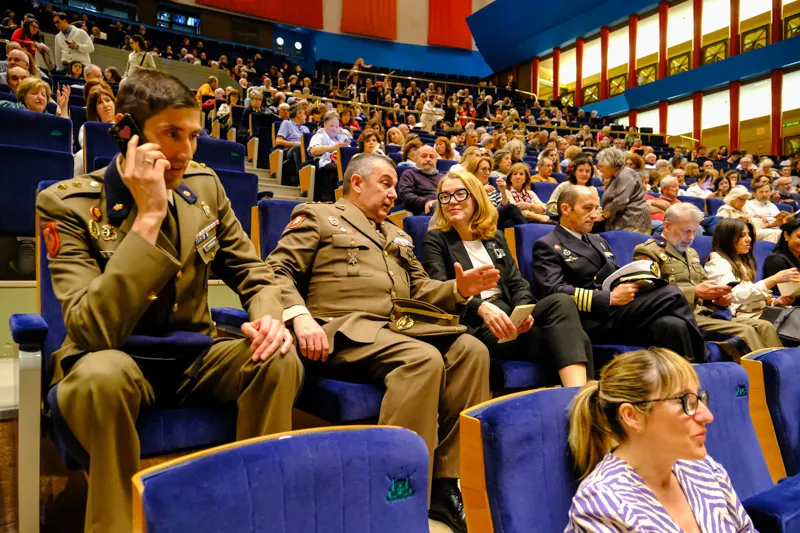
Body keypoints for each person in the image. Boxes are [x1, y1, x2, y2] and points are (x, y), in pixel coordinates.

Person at [36, 70, 303, 533]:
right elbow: (90, 330)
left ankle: (255, 516)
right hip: (112, 362)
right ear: (127, 131)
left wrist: (268, 320)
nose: (186, 152)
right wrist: (150, 216)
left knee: (276, 356)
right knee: (104, 373)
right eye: (171, 135)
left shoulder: (205, 189)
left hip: (193, 362)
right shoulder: (69, 205)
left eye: (194, 136)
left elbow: (255, 274)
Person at [267, 153, 497, 533]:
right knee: (422, 358)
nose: (394, 194)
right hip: (344, 331)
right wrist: (299, 316)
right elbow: (277, 270)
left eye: (395, 187)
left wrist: (459, 288)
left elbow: (422, 289)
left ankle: (444, 483)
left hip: (397, 331)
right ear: (357, 183)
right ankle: (394, 489)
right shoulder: (319, 217)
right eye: (386, 184)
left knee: (472, 350)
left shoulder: (398, 234)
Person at [423, 171, 593, 387]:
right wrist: (481, 307)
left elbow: (517, 282)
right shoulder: (436, 239)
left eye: (459, 194)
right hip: (479, 323)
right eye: (444, 196)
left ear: (475, 197)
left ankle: (575, 396)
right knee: (577, 338)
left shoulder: (494, 236)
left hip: (511, 315)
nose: (451, 201)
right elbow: (439, 290)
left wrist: (524, 312)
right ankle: (580, 399)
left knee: (561, 301)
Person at [565, 348, 757, 532]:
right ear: (631, 416)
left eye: (699, 399)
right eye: (685, 402)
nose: (707, 415)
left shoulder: (705, 469)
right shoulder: (601, 505)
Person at [534, 186, 707, 361]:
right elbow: (553, 291)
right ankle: (705, 362)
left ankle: (682, 382)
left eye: (596, 208)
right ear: (565, 209)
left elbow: (615, 276)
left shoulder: (597, 240)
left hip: (616, 313)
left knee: (673, 325)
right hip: (589, 319)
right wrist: (609, 298)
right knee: (671, 292)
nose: (595, 215)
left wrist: (636, 284)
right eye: (587, 209)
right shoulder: (548, 245)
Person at [634, 204, 781, 358]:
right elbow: (649, 293)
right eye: (686, 231)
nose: (691, 237)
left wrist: (718, 297)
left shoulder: (691, 253)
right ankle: (765, 377)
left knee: (765, 326)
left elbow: (705, 285)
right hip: (678, 316)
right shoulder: (647, 250)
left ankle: (786, 372)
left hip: (704, 313)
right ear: (667, 226)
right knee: (746, 331)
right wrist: (695, 292)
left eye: (694, 232)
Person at [705, 219, 799, 319]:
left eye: (748, 235)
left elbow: (749, 298)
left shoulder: (739, 262)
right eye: (742, 235)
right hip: (741, 317)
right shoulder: (717, 263)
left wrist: (774, 301)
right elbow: (736, 295)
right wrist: (774, 279)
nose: (749, 239)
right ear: (727, 238)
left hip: (757, 312)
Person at [596, 147, 652, 233]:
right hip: (625, 224)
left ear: (610, 164)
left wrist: (603, 216)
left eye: (601, 166)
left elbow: (620, 201)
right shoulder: (617, 175)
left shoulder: (625, 175)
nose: (600, 170)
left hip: (633, 224)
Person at [74, 84, 116, 176]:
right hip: (96, 167)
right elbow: (88, 148)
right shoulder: (87, 128)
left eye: (108, 100)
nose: (105, 105)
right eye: (100, 103)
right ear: (95, 110)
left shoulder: (126, 126)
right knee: (81, 155)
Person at [308, 111, 350, 202]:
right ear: (325, 124)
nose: (334, 129)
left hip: (340, 162)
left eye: (336, 126)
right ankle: (328, 199)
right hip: (325, 163)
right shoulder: (319, 136)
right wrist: (332, 148)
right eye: (331, 126)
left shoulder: (341, 139)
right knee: (337, 168)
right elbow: (313, 150)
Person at [716, 186, 782, 243]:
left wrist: (758, 218)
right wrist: (739, 219)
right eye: (741, 199)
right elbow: (722, 227)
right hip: (737, 234)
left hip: (752, 232)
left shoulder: (744, 209)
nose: (744, 202)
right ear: (732, 199)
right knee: (773, 233)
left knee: (779, 232)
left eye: (745, 200)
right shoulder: (725, 209)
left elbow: (756, 224)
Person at [397, 144, 444, 215]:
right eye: (424, 156)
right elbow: (405, 194)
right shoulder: (409, 174)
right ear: (416, 159)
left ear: (436, 160)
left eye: (431, 157)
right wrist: (426, 202)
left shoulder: (442, 177)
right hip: (421, 211)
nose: (428, 159)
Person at [763, 219, 800, 302]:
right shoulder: (776, 260)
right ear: (786, 235)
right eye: (799, 237)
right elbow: (785, 294)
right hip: (783, 306)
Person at [0, 77, 69, 117]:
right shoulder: (5, 106)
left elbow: (66, 139)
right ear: (23, 96)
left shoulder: (51, 118)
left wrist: (63, 109)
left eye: (43, 95)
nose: (40, 97)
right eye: (34, 93)